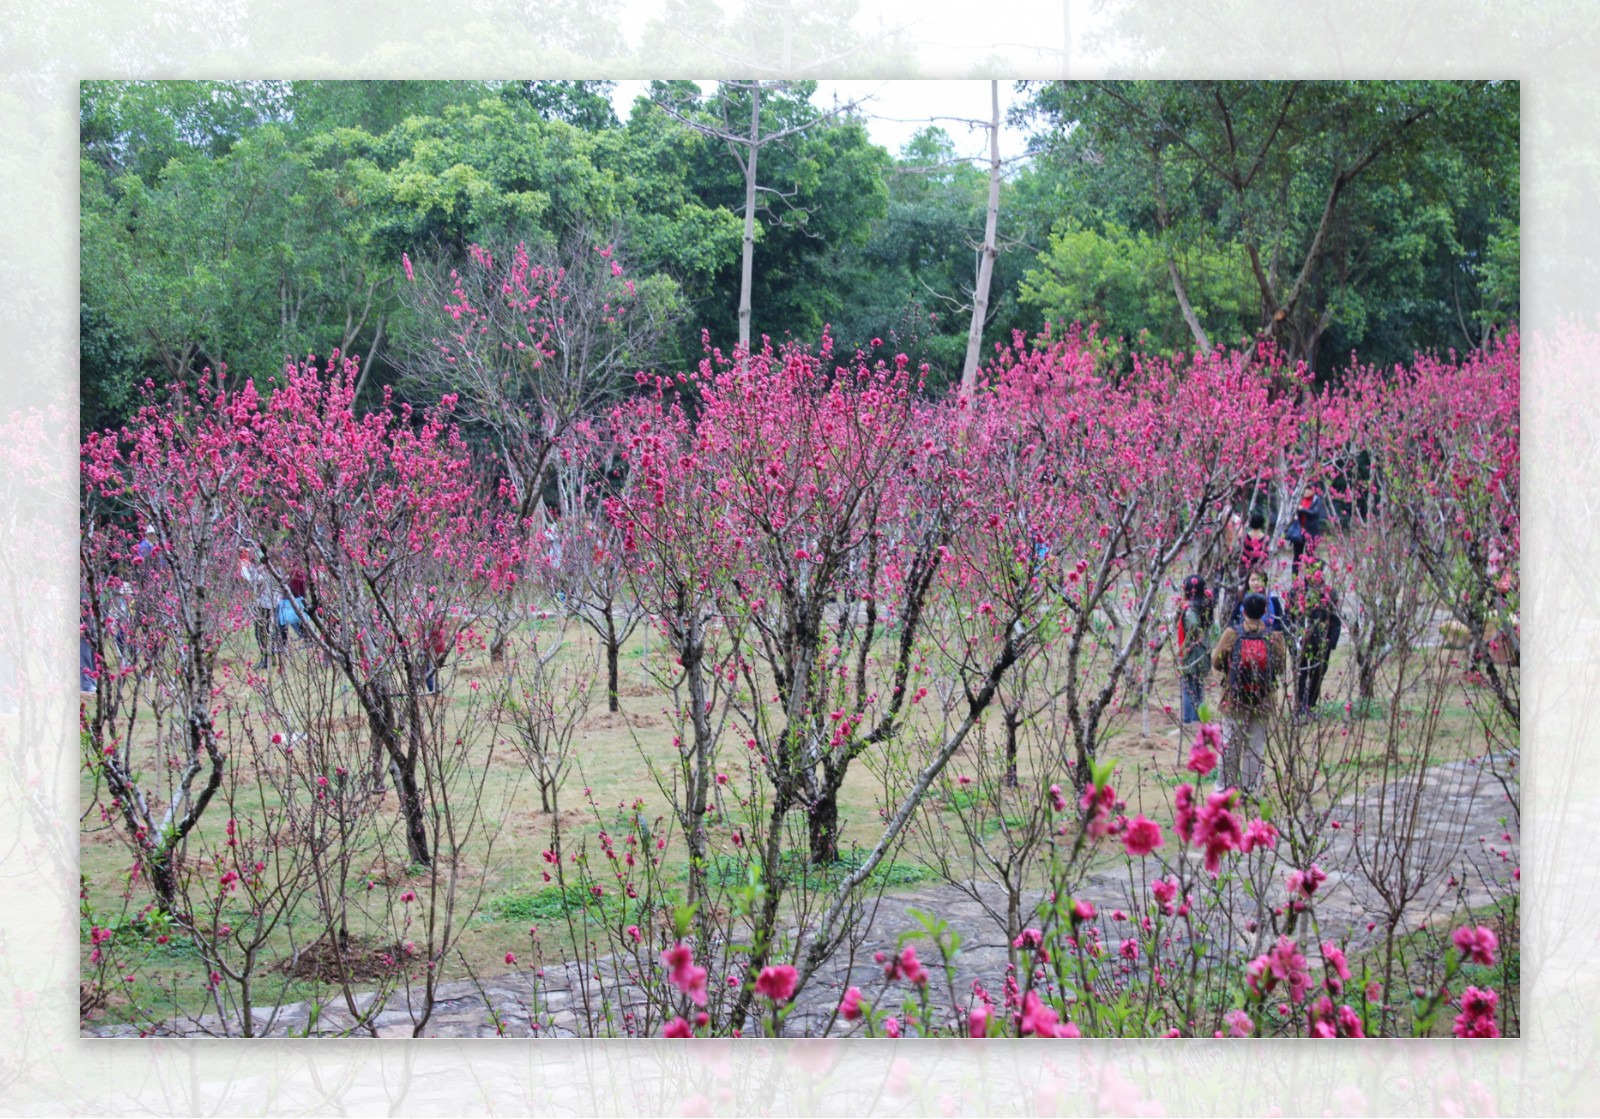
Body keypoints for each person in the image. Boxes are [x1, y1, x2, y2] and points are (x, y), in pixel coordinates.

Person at [1211, 592, 1288, 795]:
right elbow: (1280, 666)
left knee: (1230, 744)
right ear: (1264, 612)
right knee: (1255, 746)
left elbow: (1216, 662)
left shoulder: (1232, 633)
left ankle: (1223, 788)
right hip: (1264, 699)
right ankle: (1250, 790)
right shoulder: (1274, 636)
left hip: (1234, 698)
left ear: (1243, 611)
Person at [1289, 562, 1342, 719]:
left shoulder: (1330, 593)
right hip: (1301, 641)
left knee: (1318, 674)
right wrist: (1294, 639)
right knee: (1301, 673)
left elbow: (1334, 619)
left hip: (1321, 641)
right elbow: (1290, 617)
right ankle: (1299, 708)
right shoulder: (1296, 592)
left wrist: (1329, 642)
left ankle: (1310, 706)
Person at [1176, 573, 1213, 727]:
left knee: (1188, 687)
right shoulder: (1204, 605)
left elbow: (1192, 628)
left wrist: (1185, 649)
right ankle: (1199, 720)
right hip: (1202, 651)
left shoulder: (1190, 609)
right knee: (1197, 686)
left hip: (1192, 653)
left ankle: (1188, 721)